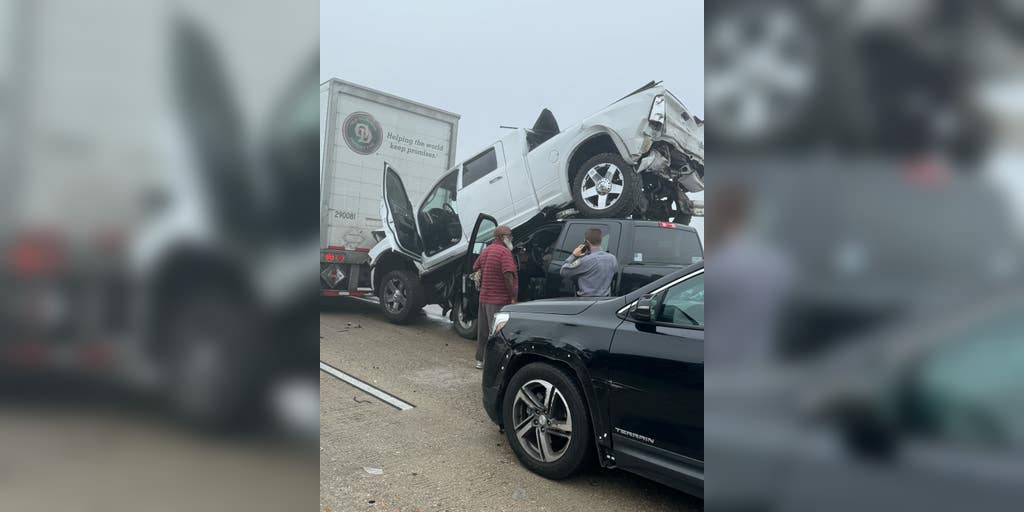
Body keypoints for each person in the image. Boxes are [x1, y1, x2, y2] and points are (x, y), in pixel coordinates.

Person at [472, 225, 518, 369]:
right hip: (498, 300)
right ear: (502, 237)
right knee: (498, 333)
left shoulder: (486, 250)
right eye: (510, 235)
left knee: (483, 331)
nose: (511, 238)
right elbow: (508, 275)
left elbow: (475, 266)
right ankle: (494, 364)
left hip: (484, 298)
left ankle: (480, 360)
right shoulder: (504, 252)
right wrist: (513, 297)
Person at [560, 228, 617, 297]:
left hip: (587, 301)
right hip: (605, 301)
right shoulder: (612, 258)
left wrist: (574, 255)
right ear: (601, 241)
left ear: (586, 242)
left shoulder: (586, 260)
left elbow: (564, 271)